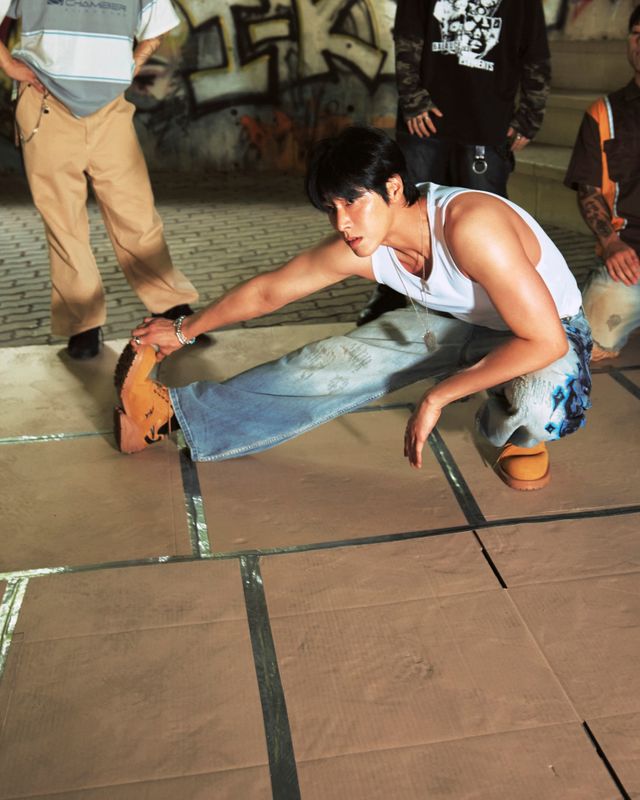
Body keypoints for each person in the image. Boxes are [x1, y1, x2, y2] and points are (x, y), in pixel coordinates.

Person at [114, 126, 591, 491]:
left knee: (541, 402)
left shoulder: (471, 227)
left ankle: (521, 433)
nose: (342, 222)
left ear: (394, 188)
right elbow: (269, 292)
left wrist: (439, 396)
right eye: (331, 208)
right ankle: (168, 416)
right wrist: (183, 330)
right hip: (465, 325)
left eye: (352, 201)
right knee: (327, 362)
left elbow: (544, 340)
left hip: (552, 330)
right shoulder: (366, 243)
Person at [0, 0, 198, 359]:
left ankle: (171, 306)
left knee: (136, 213)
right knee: (64, 222)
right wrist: (9, 65)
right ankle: (83, 323)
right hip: (46, 105)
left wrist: (132, 64)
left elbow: (158, 24)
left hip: (110, 109)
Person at [358, 0, 551, 326]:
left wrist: (530, 116)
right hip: (425, 124)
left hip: (486, 125)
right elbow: (407, 38)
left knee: (485, 223)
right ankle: (391, 290)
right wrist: (413, 99)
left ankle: (486, 304)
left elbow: (535, 52)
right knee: (401, 210)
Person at [564, 5, 640, 362]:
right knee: (585, 346)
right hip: (629, 256)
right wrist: (610, 243)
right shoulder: (603, 113)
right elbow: (589, 190)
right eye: (636, 34)